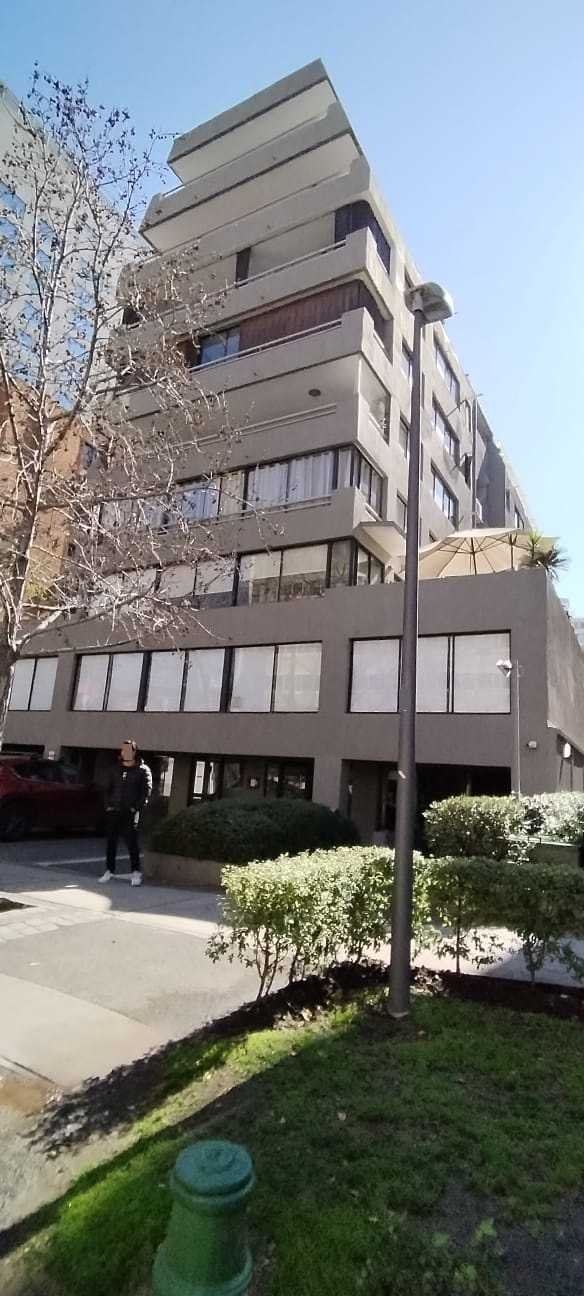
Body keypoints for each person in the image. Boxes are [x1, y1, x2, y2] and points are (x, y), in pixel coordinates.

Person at [99, 740, 152, 887]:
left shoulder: (142, 770)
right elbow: (107, 789)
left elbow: (145, 793)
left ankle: (136, 872)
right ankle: (109, 870)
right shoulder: (115, 769)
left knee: (131, 842)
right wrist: (108, 806)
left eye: (128, 750)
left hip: (130, 811)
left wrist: (136, 808)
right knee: (111, 842)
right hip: (114, 810)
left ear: (134, 752)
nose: (124, 752)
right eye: (123, 750)